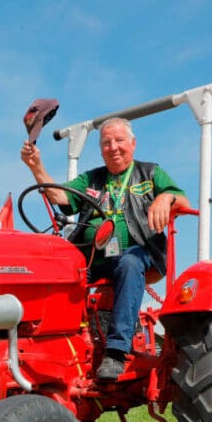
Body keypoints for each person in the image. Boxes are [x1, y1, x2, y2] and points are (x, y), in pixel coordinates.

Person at [20, 117, 189, 380]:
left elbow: (183, 199)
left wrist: (166, 198)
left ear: (132, 144)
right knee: (56, 269)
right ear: (101, 150)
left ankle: (116, 352)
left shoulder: (150, 173)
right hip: (93, 257)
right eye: (107, 142)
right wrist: (36, 166)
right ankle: (51, 345)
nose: (114, 147)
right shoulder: (92, 178)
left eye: (120, 140)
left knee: (129, 263)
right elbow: (60, 196)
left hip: (138, 253)